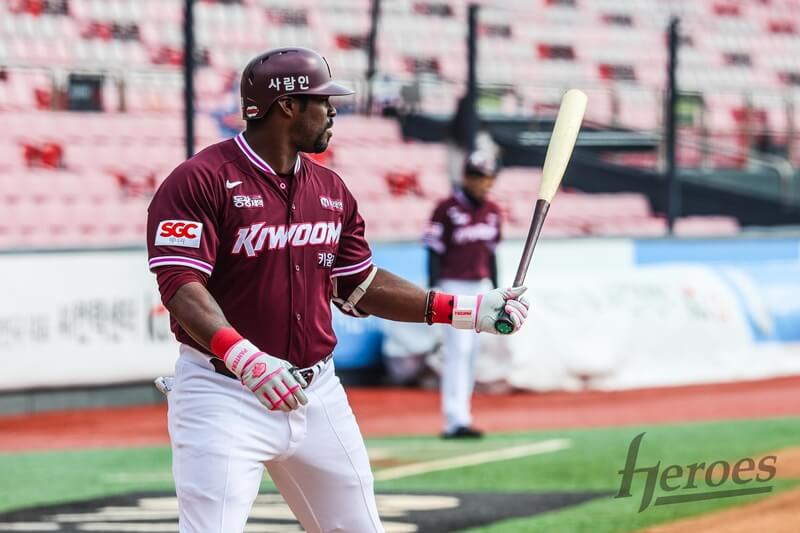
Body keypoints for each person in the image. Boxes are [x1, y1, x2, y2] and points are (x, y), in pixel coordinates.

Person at [146, 46, 529, 533]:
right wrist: (244, 357)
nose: (332, 112)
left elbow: (359, 283)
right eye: (323, 101)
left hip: (318, 392)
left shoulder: (331, 189)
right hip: (224, 394)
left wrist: (467, 310)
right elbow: (180, 285)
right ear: (287, 105)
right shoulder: (198, 180)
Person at [423, 151, 503, 439]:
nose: (484, 183)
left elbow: (492, 254)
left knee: (471, 354)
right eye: (479, 176)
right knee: (457, 352)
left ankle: (463, 415)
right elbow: (433, 249)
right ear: (467, 177)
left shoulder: (493, 211)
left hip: (479, 286)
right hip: (453, 286)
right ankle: (453, 420)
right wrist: (434, 287)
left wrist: (497, 291)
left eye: (488, 177)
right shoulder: (446, 208)